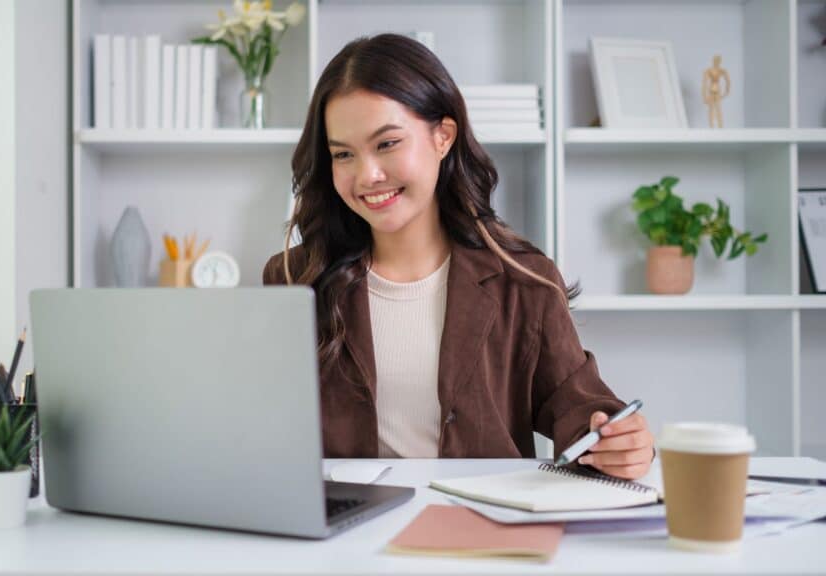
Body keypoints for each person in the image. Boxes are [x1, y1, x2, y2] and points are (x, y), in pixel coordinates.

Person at [263, 34, 654, 480]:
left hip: (481, 528)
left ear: (442, 137)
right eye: (343, 154)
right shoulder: (294, 278)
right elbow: (264, 423)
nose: (366, 175)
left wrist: (617, 440)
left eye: (387, 144)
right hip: (344, 534)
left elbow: (579, 405)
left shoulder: (522, 278)